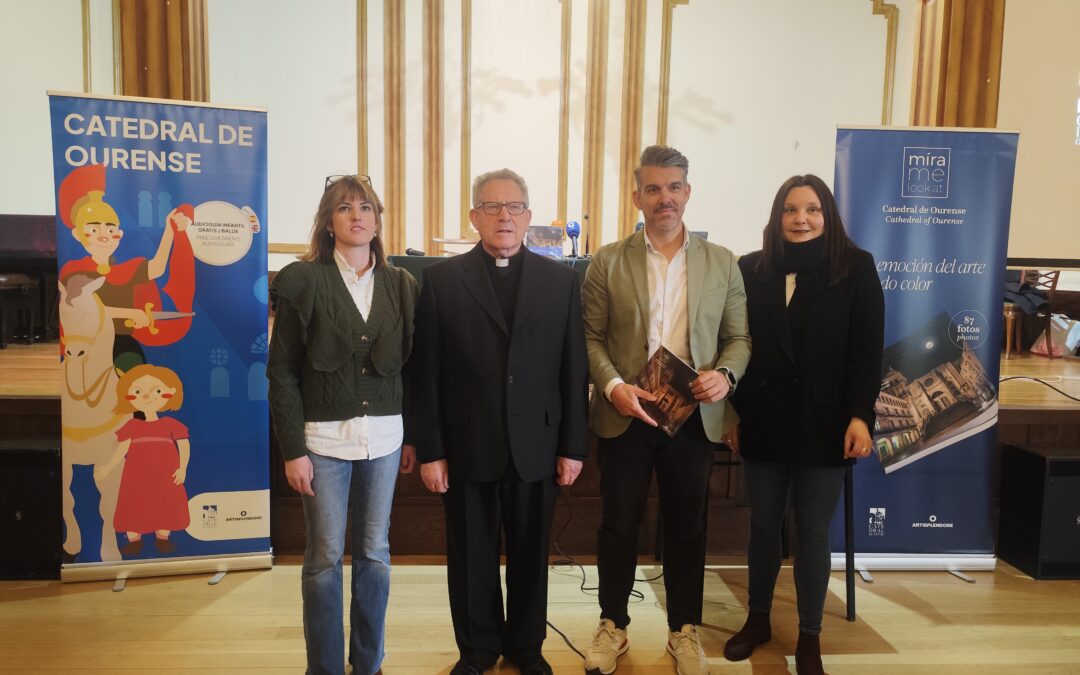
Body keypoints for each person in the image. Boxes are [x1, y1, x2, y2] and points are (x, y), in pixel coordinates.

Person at [404, 168, 589, 675]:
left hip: (538, 443)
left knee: (532, 558)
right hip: (467, 445)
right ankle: (478, 650)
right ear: (473, 217)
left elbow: (574, 370)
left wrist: (573, 446)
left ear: (529, 216)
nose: (503, 216)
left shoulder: (562, 282)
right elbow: (427, 374)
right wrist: (432, 449)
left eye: (513, 207)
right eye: (491, 206)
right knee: (471, 559)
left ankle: (526, 648)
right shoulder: (441, 281)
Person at [581, 145, 751, 675]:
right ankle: (614, 627)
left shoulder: (722, 262)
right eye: (653, 189)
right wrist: (612, 387)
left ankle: (684, 631)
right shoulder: (607, 260)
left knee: (686, 526)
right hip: (628, 411)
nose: (664, 199)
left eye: (674, 187)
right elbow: (590, 339)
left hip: (693, 418)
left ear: (687, 192)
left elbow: (739, 339)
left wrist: (724, 376)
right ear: (637, 195)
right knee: (619, 523)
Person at [721, 174, 884, 675]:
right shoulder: (751, 268)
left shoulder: (855, 268)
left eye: (812, 209)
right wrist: (731, 411)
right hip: (763, 420)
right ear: (777, 216)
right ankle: (759, 620)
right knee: (764, 526)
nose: (801, 219)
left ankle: (810, 634)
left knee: (812, 532)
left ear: (827, 215)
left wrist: (861, 416)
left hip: (826, 422)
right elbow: (735, 339)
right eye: (791, 209)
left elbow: (866, 351)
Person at [267, 174, 419, 675]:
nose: (357, 216)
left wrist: (413, 437)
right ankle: (326, 667)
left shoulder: (401, 285)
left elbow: (414, 369)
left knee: (375, 553)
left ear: (377, 221)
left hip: (385, 439)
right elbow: (282, 371)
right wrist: (292, 449)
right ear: (328, 223)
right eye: (345, 208)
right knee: (325, 556)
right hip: (322, 442)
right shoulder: (302, 281)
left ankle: (369, 663)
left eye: (366, 208)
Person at [97, 363, 191, 556]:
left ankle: (163, 537)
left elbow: (184, 445)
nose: (147, 397)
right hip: (136, 476)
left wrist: (183, 468)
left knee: (165, 502)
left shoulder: (170, 424)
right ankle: (134, 540)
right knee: (135, 503)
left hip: (166, 475)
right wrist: (108, 467)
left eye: (156, 390)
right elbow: (123, 448)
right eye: (138, 391)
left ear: (170, 392)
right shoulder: (132, 426)